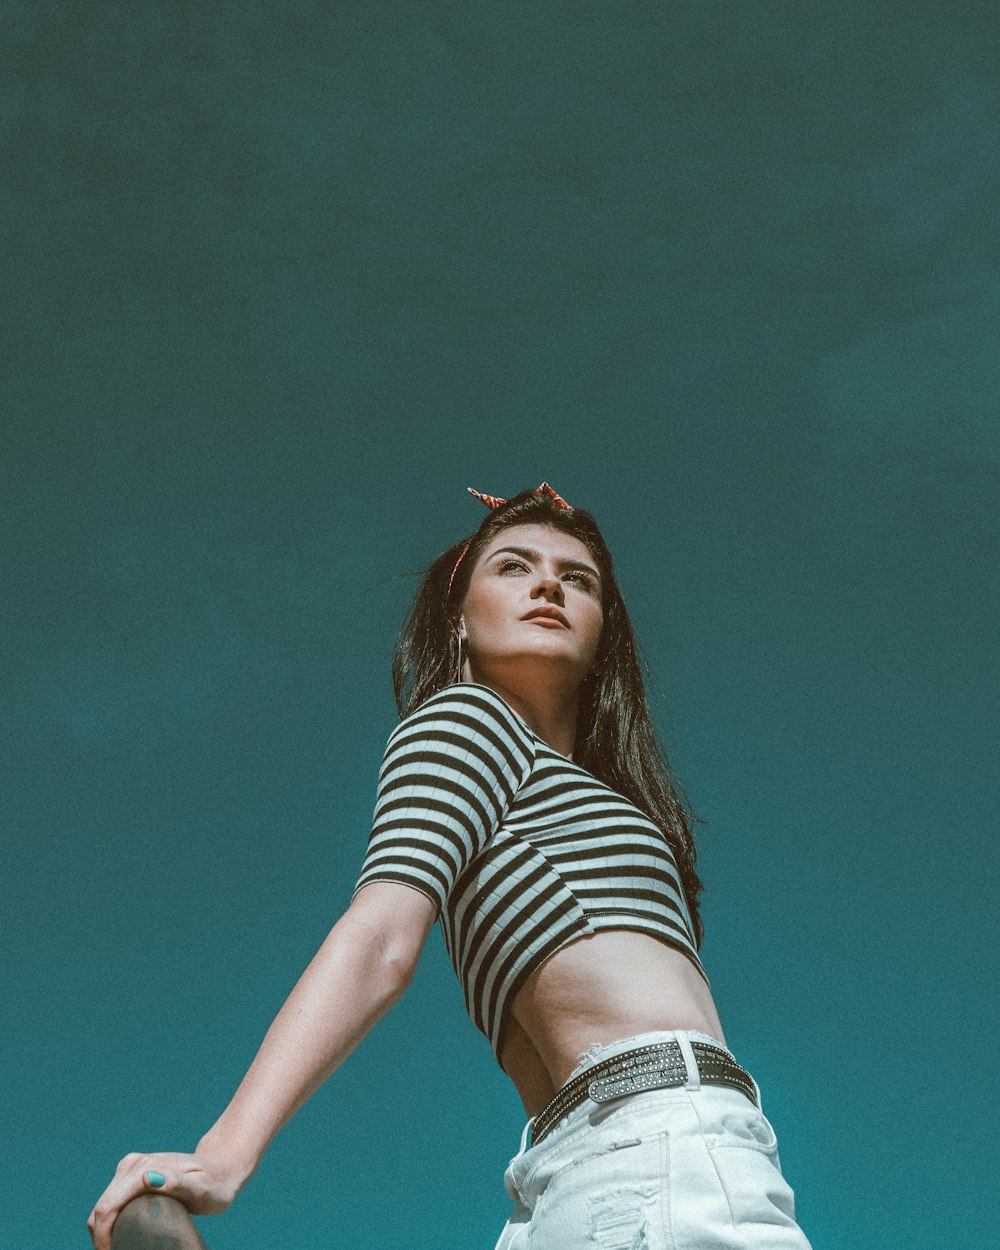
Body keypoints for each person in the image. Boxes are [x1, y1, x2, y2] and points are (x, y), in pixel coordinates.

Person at [88, 482, 811, 1250]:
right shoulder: (470, 721)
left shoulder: (568, 786)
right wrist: (223, 1154)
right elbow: (381, 934)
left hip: (584, 1174)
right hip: (659, 1147)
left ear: (604, 633)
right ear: (459, 622)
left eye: (579, 579)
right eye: (513, 567)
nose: (547, 585)